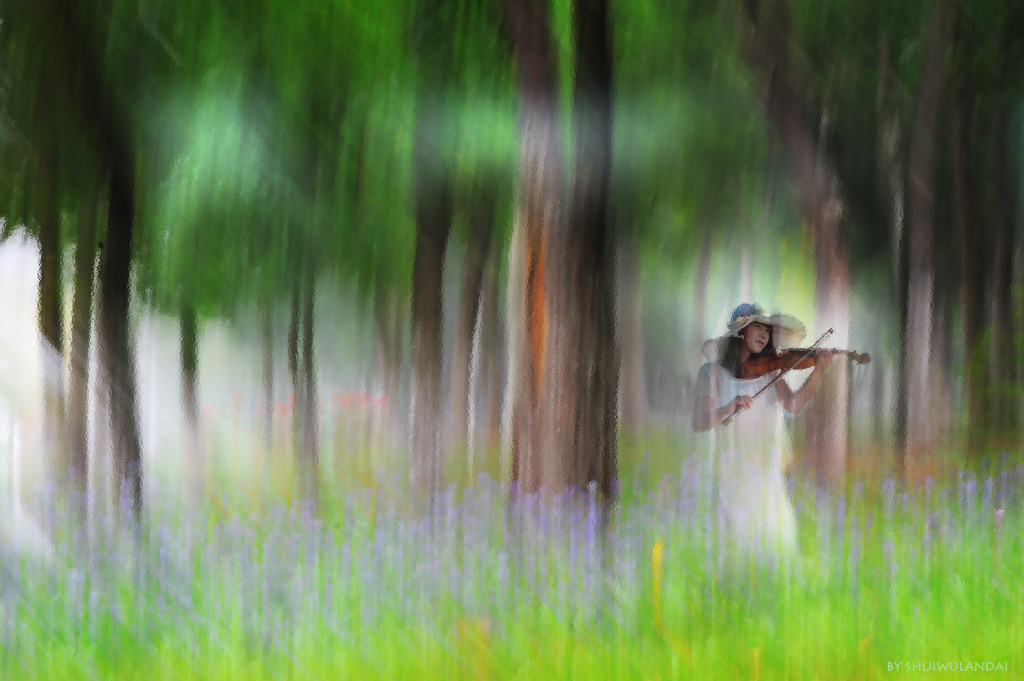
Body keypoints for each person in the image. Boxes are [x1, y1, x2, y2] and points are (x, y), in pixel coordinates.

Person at [691, 302, 836, 572]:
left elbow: (793, 405)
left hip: (767, 479)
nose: (764, 334)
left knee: (776, 551)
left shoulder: (771, 373)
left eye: (767, 330)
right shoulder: (710, 373)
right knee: (734, 557)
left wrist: (818, 371)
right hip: (731, 478)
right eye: (757, 327)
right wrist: (727, 407)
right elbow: (698, 422)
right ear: (739, 332)